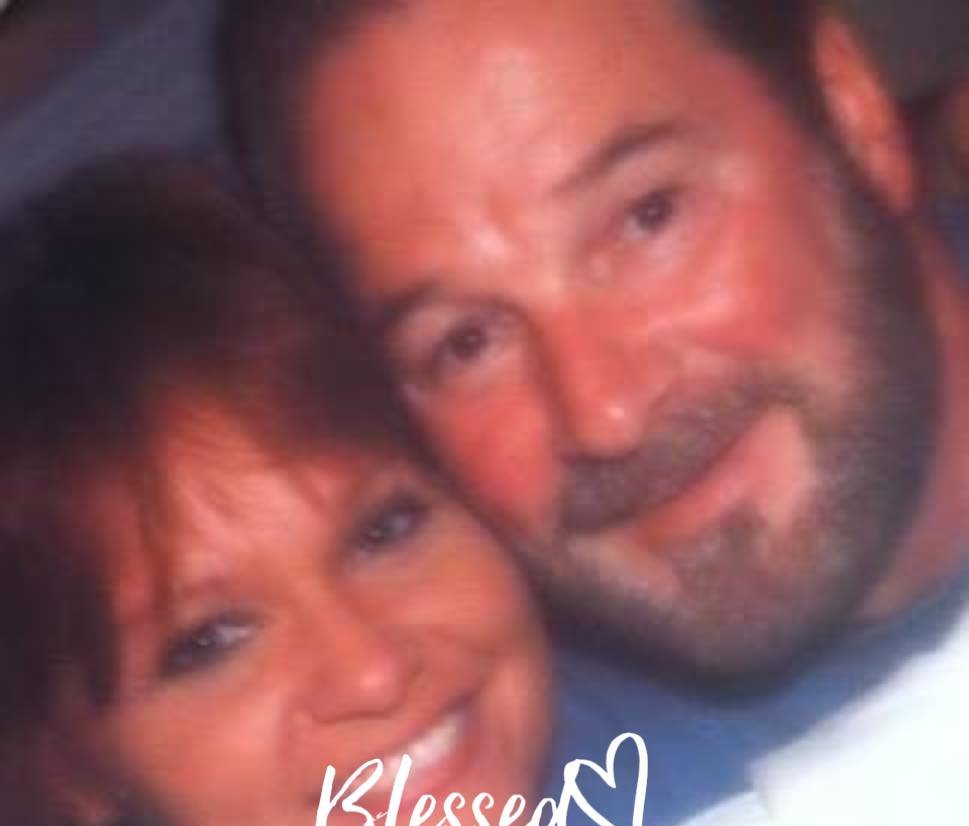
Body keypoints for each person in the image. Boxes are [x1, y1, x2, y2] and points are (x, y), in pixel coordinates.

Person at [0, 156, 703, 826]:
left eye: (384, 530)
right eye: (209, 641)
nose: (371, 671)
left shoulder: (725, 755)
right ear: (73, 770)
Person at [217, 0, 969, 680]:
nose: (605, 415)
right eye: (466, 343)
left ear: (849, 112)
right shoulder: (521, 774)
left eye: (647, 216)